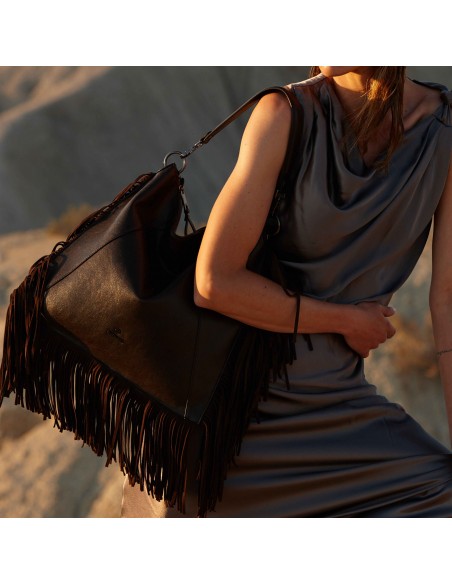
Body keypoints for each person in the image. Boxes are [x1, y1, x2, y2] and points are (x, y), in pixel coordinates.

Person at [121, 66, 452, 517]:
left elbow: (446, 301)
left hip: (340, 411)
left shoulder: (442, 132)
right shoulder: (286, 113)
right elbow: (214, 282)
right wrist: (346, 320)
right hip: (232, 415)